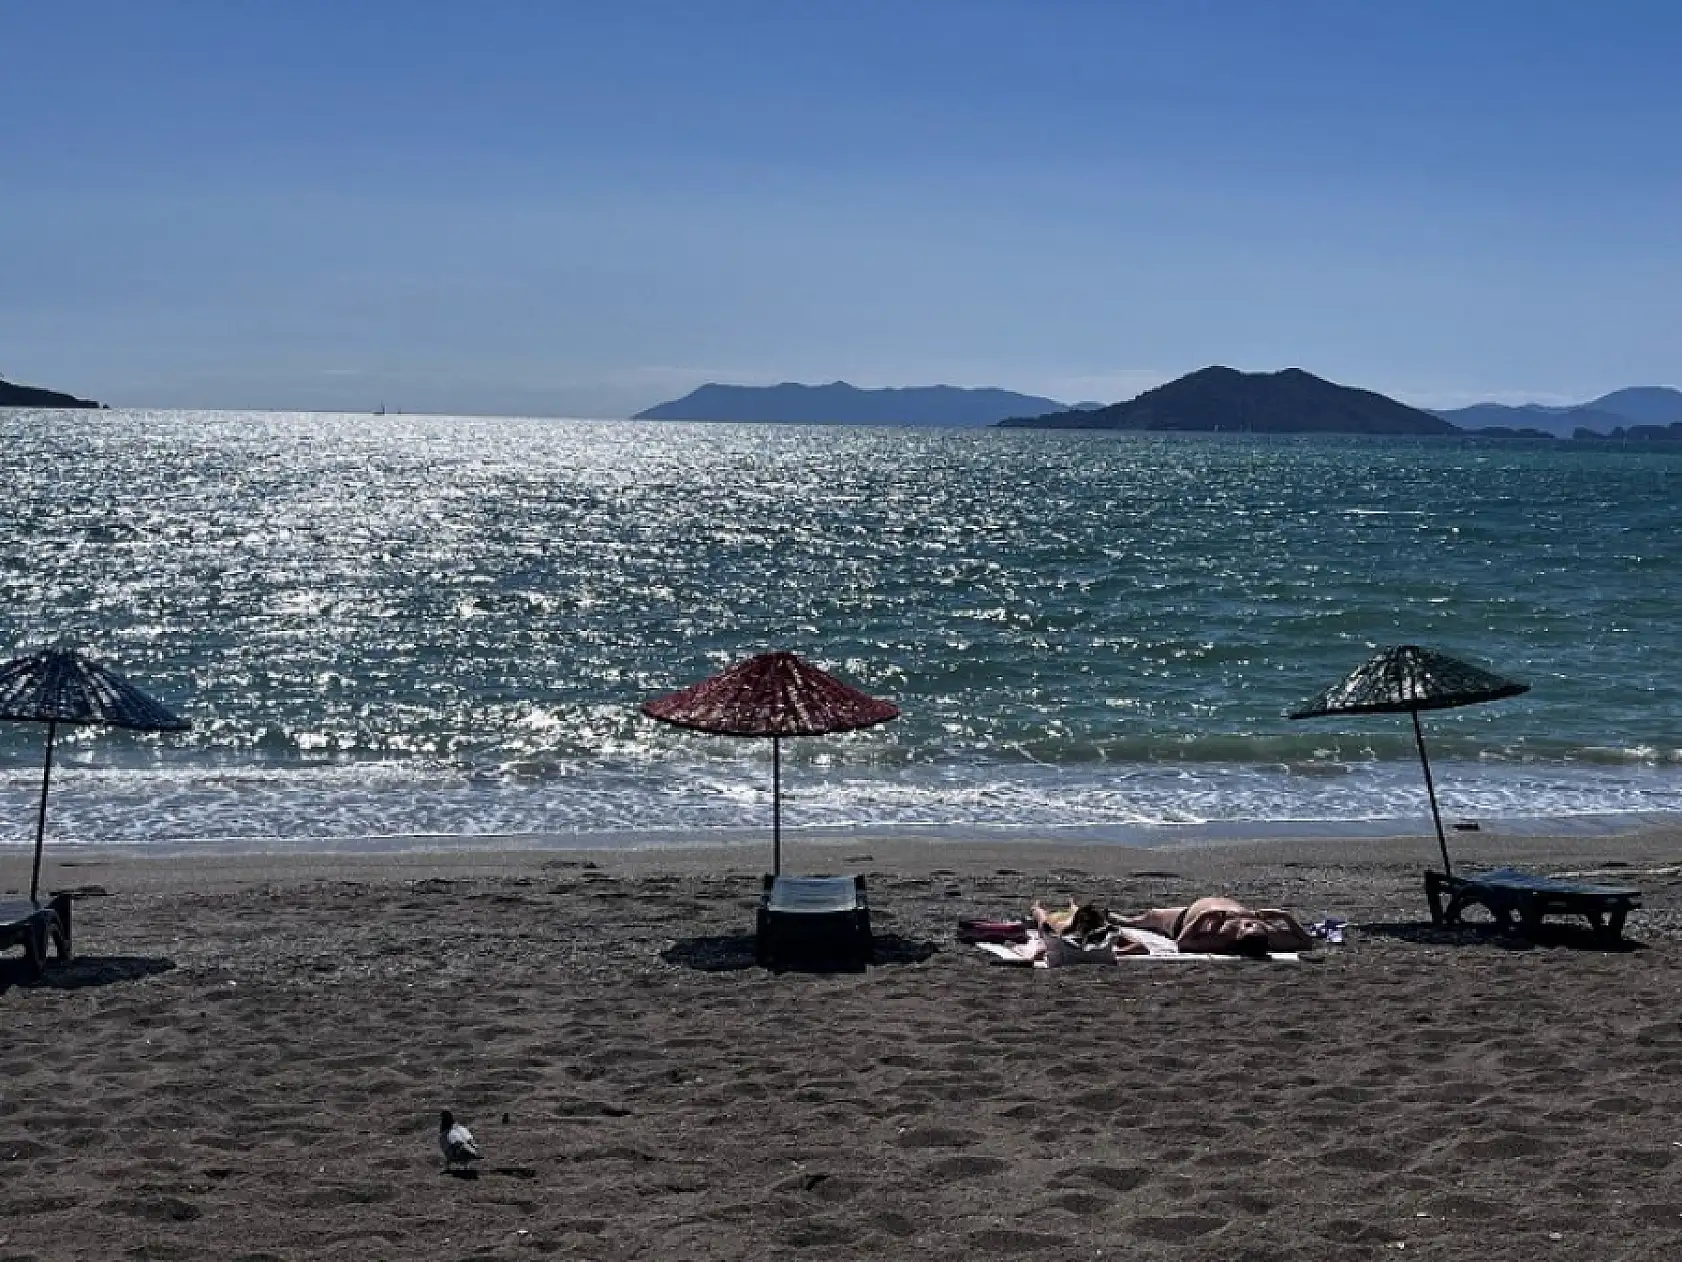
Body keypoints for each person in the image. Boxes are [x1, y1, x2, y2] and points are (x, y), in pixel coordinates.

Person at [1110, 897, 1313, 957]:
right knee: (1151, 916)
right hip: (1200, 909)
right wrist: (1285, 917)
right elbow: (1306, 941)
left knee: (1151, 917)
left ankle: (1124, 921)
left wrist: (1202, 917)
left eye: (1248, 926)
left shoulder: (1221, 939)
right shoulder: (1270, 936)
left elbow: (1182, 943)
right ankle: (1125, 920)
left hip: (1184, 920)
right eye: (1256, 925)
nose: (1249, 922)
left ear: (1240, 935)